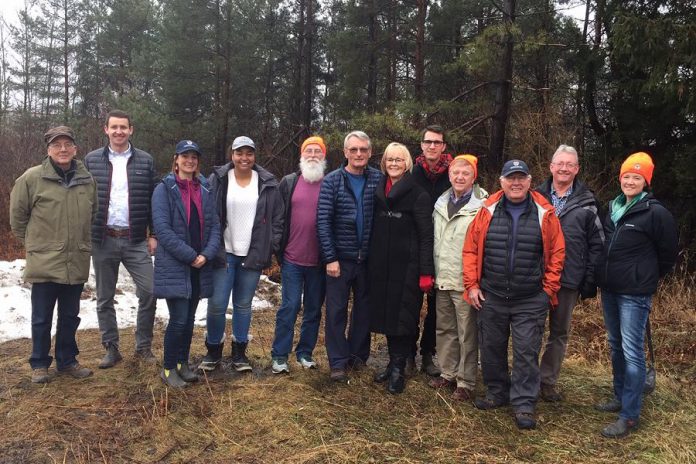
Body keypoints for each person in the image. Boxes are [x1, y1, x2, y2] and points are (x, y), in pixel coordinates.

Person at [463, 159, 565, 430]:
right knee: (492, 347)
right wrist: (472, 285)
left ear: (530, 181)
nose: (516, 183)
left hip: (530, 298)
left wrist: (548, 291)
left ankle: (523, 403)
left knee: (526, 351)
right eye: (511, 178)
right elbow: (471, 249)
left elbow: (557, 253)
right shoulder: (487, 210)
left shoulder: (545, 212)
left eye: (521, 178)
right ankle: (497, 392)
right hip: (492, 294)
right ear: (501, 181)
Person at [594, 152, 678, 438]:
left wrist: (646, 277)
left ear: (646, 181)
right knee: (615, 345)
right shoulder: (613, 208)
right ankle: (619, 396)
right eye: (627, 176)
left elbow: (667, 255)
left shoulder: (655, 213)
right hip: (610, 289)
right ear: (620, 179)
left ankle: (630, 415)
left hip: (634, 293)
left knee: (632, 352)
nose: (630, 181)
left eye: (637, 177)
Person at [10, 126, 97, 383]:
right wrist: (37, 245)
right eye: (57, 145)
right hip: (45, 262)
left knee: (70, 316)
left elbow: (92, 217)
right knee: (41, 317)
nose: (62, 149)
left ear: (75, 149)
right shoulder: (31, 178)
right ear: (48, 150)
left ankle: (67, 361)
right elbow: (18, 219)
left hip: (75, 260)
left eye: (67, 144)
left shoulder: (87, 180)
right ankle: (39, 364)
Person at [199, 136, 283, 372]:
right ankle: (213, 350)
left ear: (254, 156)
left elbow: (278, 217)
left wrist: (271, 244)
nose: (244, 158)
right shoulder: (218, 179)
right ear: (232, 155)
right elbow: (206, 211)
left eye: (249, 153)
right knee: (217, 304)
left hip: (252, 254)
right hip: (223, 253)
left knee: (243, 305)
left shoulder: (267, 182)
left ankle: (239, 354)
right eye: (239, 153)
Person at [84, 110, 158, 368]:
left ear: (131, 130)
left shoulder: (145, 161)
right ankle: (111, 348)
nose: (119, 131)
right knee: (104, 297)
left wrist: (154, 234)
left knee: (149, 292)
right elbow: (83, 198)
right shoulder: (91, 160)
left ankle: (144, 347)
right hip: (102, 239)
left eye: (123, 127)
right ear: (105, 129)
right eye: (114, 127)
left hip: (135, 238)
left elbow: (153, 200)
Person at [535, 145, 604, 402]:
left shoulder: (588, 202)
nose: (564, 168)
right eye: (559, 163)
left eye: (569, 164)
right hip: (535, 278)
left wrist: (589, 279)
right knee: (531, 331)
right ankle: (527, 380)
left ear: (576, 169)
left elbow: (597, 244)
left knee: (559, 333)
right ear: (551, 166)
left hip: (568, 279)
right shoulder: (535, 197)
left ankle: (547, 381)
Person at [151, 140, 220, 388]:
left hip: (199, 265)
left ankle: (182, 363)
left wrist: (207, 254)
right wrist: (191, 255)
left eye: (194, 157)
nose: (189, 161)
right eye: (185, 156)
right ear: (176, 159)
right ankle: (168, 368)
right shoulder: (164, 189)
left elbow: (214, 226)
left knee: (189, 319)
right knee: (179, 319)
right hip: (176, 264)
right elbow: (163, 230)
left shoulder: (205, 188)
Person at [317, 130, 382, 382]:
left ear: (369, 152)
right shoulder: (332, 181)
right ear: (345, 153)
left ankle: (357, 357)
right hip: (340, 260)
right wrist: (330, 257)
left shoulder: (378, 179)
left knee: (363, 311)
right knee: (336, 311)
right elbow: (323, 221)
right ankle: (338, 362)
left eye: (363, 150)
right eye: (353, 150)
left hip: (367, 259)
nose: (358, 154)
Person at [368, 143, 434, 394]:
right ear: (384, 163)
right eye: (390, 159)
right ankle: (390, 362)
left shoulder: (418, 194)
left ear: (407, 163)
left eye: (399, 159)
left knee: (403, 317)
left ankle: (399, 367)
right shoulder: (378, 188)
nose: (394, 163)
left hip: (408, 265)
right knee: (385, 315)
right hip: (381, 265)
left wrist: (426, 271)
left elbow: (426, 235)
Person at [429, 155, 488, 401]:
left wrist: (475, 280)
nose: (460, 177)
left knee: (467, 333)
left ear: (473, 177)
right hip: (442, 277)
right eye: (456, 173)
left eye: (465, 174)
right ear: (450, 175)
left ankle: (466, 381)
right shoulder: (440, 202)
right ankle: (448, 372)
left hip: (465, 280)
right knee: (445, 329)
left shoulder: (483, 206)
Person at [270, 136, 328, 374]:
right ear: (301, 156)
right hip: (292, 258)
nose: (313, 155)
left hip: (320, 261)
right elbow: (278, 217)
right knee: (290, 306)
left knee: (314, 309)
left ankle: (305, 353)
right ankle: (280, 356)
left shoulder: (330, 183)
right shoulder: (289, 182)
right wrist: (276, 248)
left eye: (317, 151)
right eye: (308, 151)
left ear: (324, 157)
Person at [410, 125, 452, 376]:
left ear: (443, 146)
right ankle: (406, 353)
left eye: (437, 142)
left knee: (438, 309)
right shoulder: (412, 173)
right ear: (422, 145)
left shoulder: (453, 174)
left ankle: (428, 353)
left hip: (444, 251)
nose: (432, 146)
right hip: (415, 249)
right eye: (428, 142)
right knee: (411, 304)